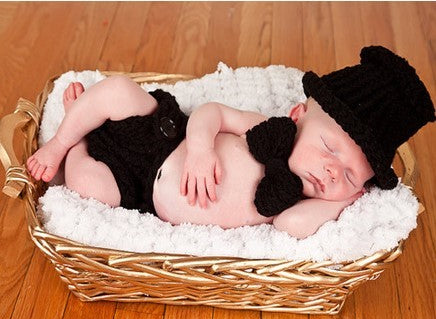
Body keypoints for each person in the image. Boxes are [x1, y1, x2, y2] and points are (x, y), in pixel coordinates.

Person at [26, 46, 435, 239]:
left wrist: (342, 201)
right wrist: (200, 148)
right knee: (118, 91)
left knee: (88, 186)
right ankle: (62, 139)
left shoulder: (298, 203)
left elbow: (292, 227)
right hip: (163, 137)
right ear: (298, 114)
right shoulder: (269, 128)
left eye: (349, 176)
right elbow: (212, 112)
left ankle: (79, 143)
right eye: (330, 148)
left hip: (137, 191)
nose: (331, 172)